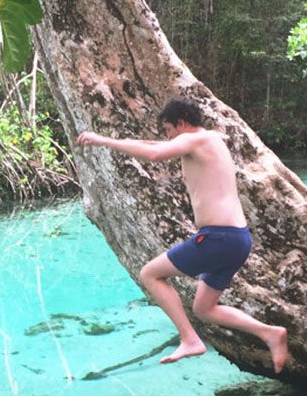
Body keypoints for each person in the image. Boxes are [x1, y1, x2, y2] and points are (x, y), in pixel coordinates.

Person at [75, 98, 289, 371]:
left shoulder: (197, 140)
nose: (167, 136)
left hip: (218, 237)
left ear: (182, 124)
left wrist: (103, 140)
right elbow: (158, 146)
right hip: (237, 239)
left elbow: (154, 154)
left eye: (168, 129)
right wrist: (118, 140)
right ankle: (270, 333)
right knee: (204, 309)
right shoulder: (209, 140)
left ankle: (190, 340)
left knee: (150, 274)